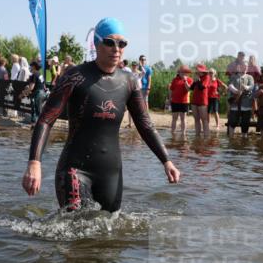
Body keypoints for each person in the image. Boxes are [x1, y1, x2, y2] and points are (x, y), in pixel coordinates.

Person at [22, 17, 179, 212]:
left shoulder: (129, 81)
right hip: (75, 169)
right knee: (77, 230)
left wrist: (167, 161)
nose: (116, 48)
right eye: (110, 42)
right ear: (97, 43)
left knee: (109, 232)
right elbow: (46, 119)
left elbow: (145, 124)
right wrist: (35, 162)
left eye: (122, 43)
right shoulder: (75, 76)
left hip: (111, 173)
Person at [169, 64, 192, 136]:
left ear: (187, 73)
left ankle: (183, 133)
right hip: (175, 101)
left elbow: (188, 89)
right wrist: (170, 98)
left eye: (184, 72)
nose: (183, 73)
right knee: (174, 118)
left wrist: (185, 80)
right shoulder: (175, 79)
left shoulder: (189, 80)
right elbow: (171, 89)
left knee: (183, 118)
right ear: (179, 72)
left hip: (184, 102)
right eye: (181, 72)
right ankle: (172, 133)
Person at [190, 64, 210, 136]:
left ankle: (206, 136)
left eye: (198, 70)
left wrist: (198, 80)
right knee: (196, 119)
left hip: (202, 101)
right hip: (195, 100)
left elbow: (202, 87)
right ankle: (197, 136)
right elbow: (191, 88)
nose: (197, 71)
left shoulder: (206, 77)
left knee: (204, 120)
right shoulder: (197, 77)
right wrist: (195, 81)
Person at [24, 60, 46, 124]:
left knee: (35, 111)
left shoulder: (34, 75)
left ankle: (36, 126)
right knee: (39, 110)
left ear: (33, 67)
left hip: (37, 94)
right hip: (42, 93)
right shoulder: (40, 74)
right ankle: (38, 125)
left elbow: (31, 87)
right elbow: (44, 86)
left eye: (31, 66)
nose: (30, 67)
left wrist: (24, 93)